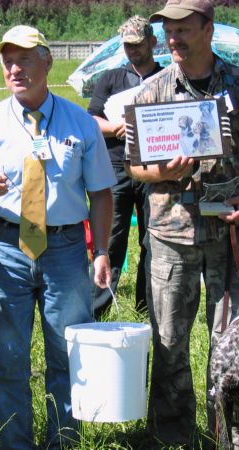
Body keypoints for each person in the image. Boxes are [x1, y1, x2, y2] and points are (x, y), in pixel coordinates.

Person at [124, 0, 239, 445]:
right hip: (170, 238)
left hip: (231, 236)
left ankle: (233, 434)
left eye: (183, 29)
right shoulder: (150, 92)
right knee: (170, 342)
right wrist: (163, 173)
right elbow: (135, 165)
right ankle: (174, 436)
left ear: (208, 29)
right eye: (168, 31)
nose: (173, 39)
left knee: (235, 346)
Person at [0, 25, 115, 449]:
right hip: (7, 247)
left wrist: (101, 251)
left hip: (66, 250)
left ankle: (63, 440)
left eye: (24, 58)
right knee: (6, 357)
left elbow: (100, 193)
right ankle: (16, 443)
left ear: (47, 61)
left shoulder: (80, 122)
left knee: (68, 354)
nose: (14, 68)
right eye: (7, 59)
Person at [88, 16, 163, 318]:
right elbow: (91, 119)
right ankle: (99, 309)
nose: (132, 50)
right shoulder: (110, 78)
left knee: (153, 240)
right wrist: (114, 126)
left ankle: (146, 308)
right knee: (111, 240)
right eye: (127, 45)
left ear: (152, 43)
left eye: (138, 44)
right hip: (116, 168)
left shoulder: (168, 77)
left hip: (156, 171)